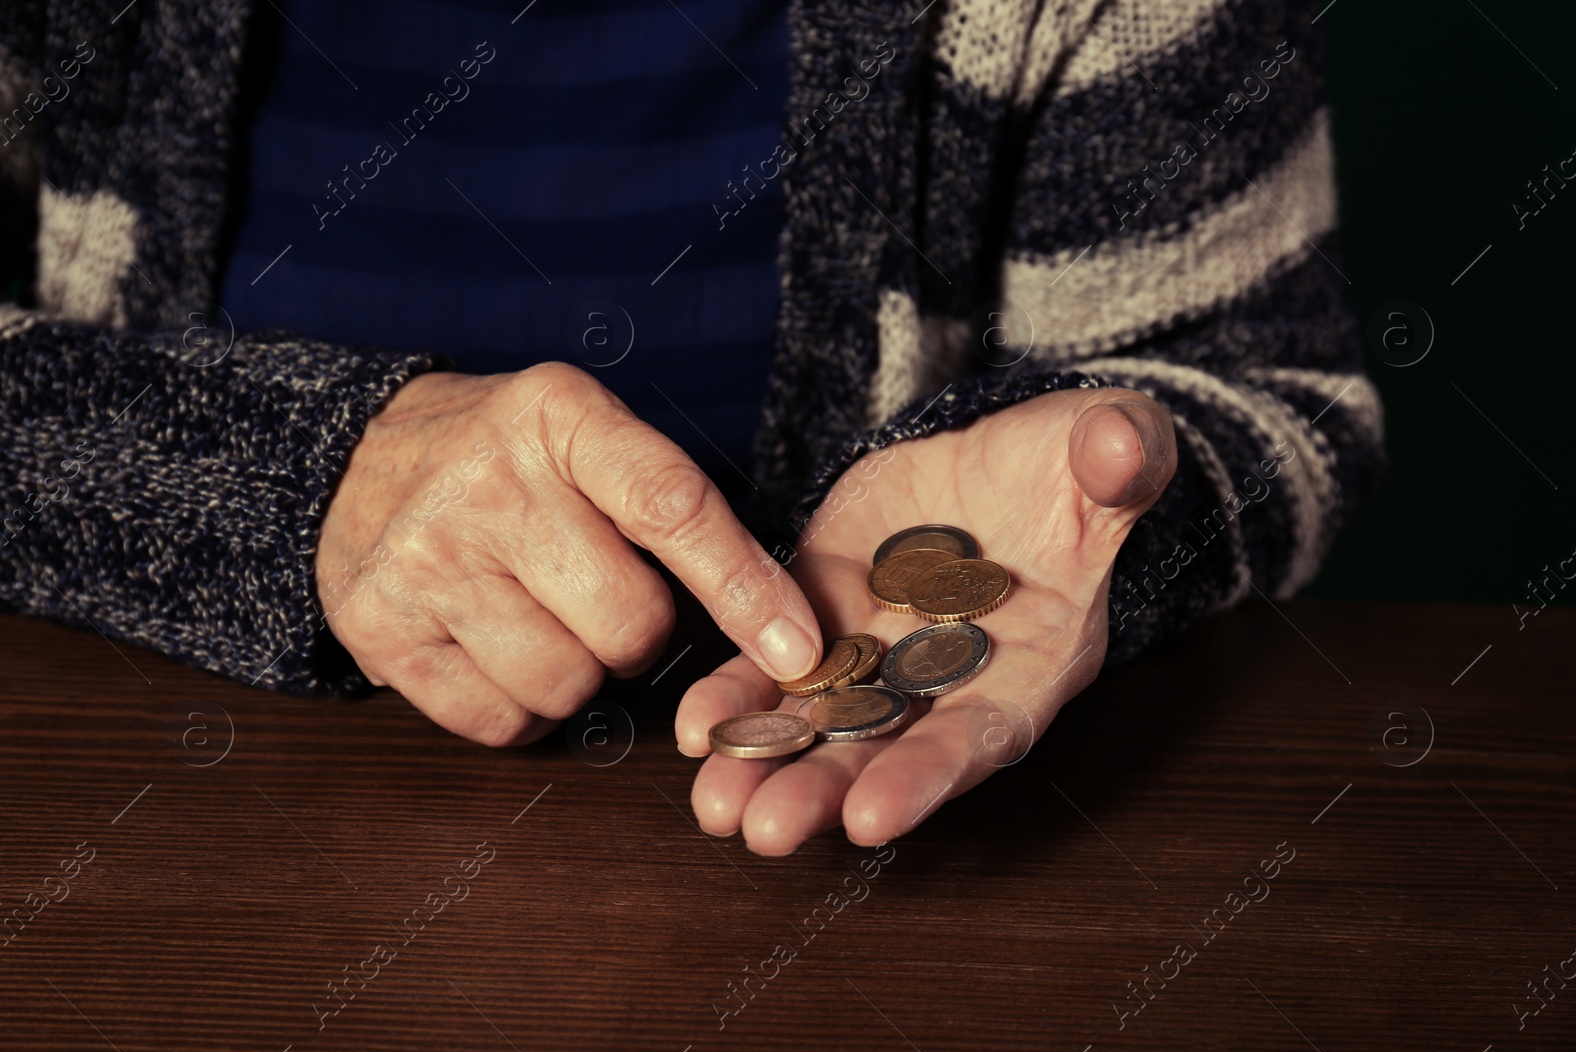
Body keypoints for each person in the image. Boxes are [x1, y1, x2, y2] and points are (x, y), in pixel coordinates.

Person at [0, 0, 1382, 855]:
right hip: (161, 864)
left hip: (832, 920)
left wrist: (1136, 490)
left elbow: (1274, 395)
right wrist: (293, 481)